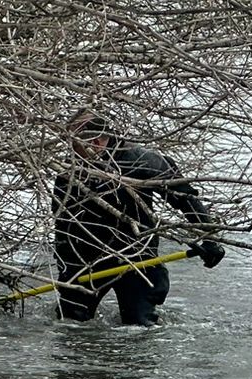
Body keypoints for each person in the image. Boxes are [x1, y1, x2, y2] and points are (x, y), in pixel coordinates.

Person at [53, 113, 226, 325]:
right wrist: (65, 268)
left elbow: (185, 199)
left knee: (139, 325)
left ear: (95, 143)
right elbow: (61, 221)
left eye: (73, 144)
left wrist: (209, 239)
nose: (69, 150)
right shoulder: (70, 169)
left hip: (138, 256)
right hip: (86, 259)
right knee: (70, 324)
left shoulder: (142, 160)